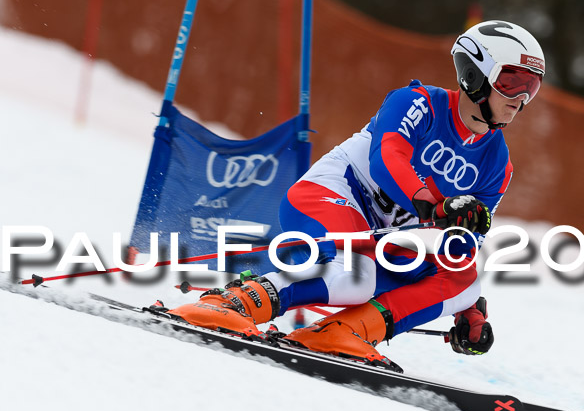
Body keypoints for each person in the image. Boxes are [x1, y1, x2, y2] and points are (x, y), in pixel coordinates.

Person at [166, 20, 545, 367]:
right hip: (332, 196)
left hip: (385, 239)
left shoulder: (498, 164)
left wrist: (470, 312)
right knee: (357, 276)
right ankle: (231, 302)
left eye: (531, 87)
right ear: (474, 75)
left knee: (466, 281)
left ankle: (343, 333)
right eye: (510, 81)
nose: (520, 97)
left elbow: (462, 246)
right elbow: (387, 157)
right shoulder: (417, 103)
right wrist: (434, 204)